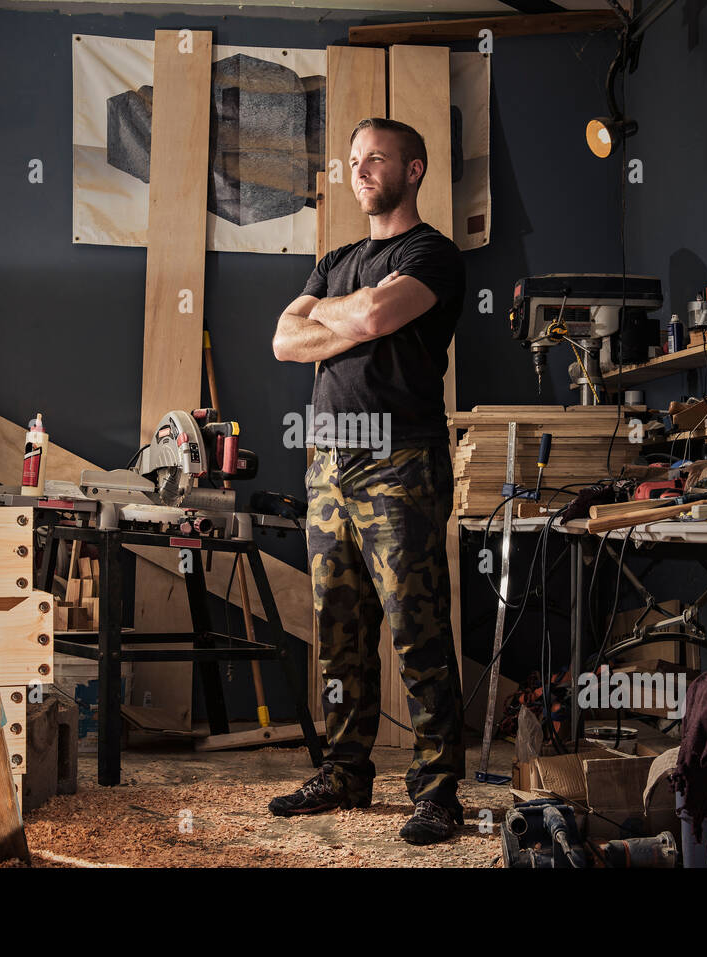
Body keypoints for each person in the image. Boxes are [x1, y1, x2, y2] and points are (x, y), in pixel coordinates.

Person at [268, 117, 466, 845]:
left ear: (413, 169)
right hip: (327, 462)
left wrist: (336, 316)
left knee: (417, 632)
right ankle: (346, 769)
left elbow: (383, 311)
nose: (361, 170)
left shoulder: (432, 254)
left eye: (376, 158)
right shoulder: (338, 256)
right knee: (340, 632)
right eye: (354, 160)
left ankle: (439, 790)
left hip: (399, 458)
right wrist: (347, 317)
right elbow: (285, 339)